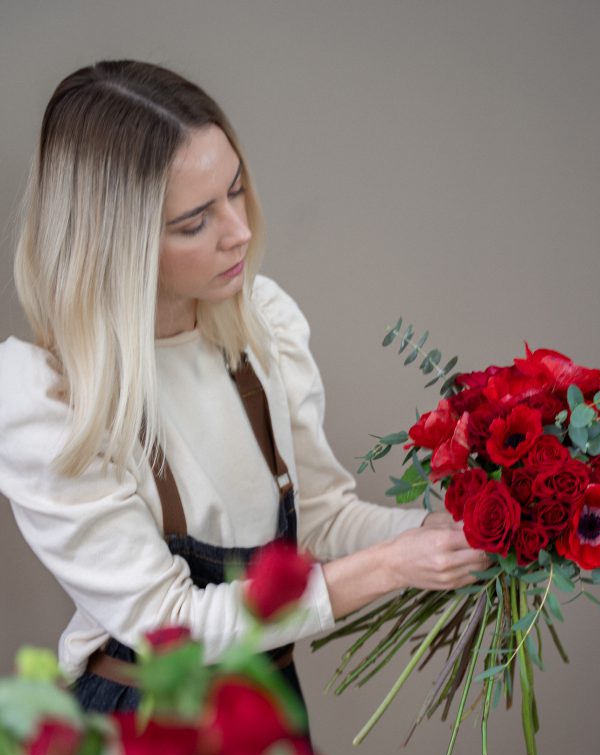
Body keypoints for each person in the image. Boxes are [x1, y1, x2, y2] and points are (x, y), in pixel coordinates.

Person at [0, 60, 487, 715]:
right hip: (143, 730)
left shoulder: (262, 326)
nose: (240, 230)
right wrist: (391, 567)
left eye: (235, 190)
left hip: (264, 704)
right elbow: (168, 625)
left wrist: (442, 532)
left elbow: (316, 517)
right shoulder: (48, 404)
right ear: (118, 242)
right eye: (194, 221)